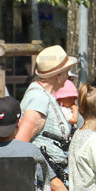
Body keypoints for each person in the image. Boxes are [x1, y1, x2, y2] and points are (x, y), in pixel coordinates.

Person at [15, 45, 78, 182]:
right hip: (45, 185)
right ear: (58, 75)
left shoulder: (44, 96)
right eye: (67, 72)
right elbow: (21, 144)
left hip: (51, 180)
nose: (68, 76)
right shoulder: (39, 99)